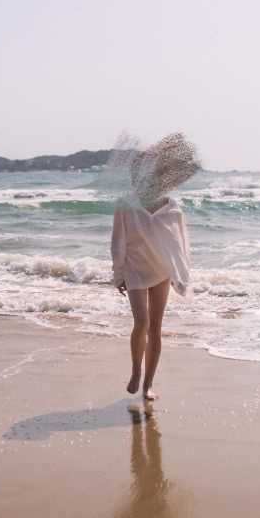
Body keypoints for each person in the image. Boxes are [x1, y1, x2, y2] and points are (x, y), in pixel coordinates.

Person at [109, 133, 200, 400]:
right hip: (135, 270)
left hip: (161, 271)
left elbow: (179, 243)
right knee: (141, 323)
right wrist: (118, 274)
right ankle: (136, 371)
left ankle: (148, 385)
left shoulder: (170, 207)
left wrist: (179, 274)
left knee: (156, 327)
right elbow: (117, 243)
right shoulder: (126, 205)